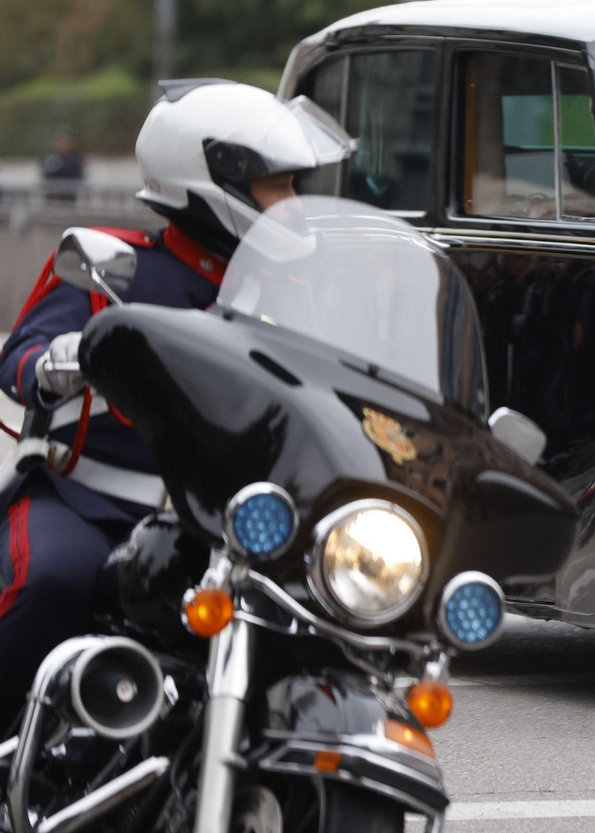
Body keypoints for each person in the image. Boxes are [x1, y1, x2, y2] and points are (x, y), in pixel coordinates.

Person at [0, 80, 354, 728]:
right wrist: (63, 362)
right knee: (52, 580)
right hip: (92, 503)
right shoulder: (120, 268)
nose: (294, 204)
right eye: (279, 186)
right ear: (212, 183)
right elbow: (19, 358)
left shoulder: (297, 290)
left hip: (237, 520)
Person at [40, 126, 84, 202]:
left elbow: (78, 176)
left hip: (69, 202)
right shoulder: (49, 158)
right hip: (52, 202)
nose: (62, 144)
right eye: (59, 141)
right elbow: (47, 177)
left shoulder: (76, 159)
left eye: (65, 141)